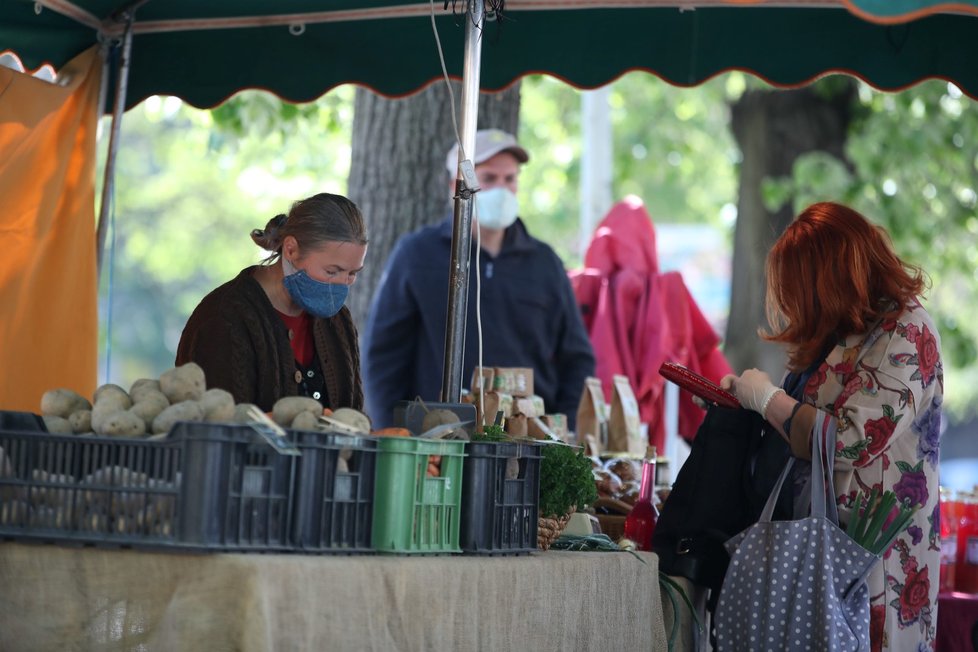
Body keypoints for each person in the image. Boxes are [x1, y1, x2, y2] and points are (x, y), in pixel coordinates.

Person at [721, 202, 943, 650]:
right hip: (824, 551)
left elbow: (852, 441)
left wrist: (769, 400)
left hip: (871, 561)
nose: (799, 304)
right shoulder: (847, 333)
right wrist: (746, 404)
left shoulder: (905, 331)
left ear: (835, 274)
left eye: (804, 288)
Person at [362, 128, 595, 429]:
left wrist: (562, 431)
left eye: (510, 179)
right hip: (436, 437)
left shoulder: (545, 263)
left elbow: (577, 358)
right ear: (456, 185)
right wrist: (391, 432)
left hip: (528, 441)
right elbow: (383, 354)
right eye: (488, 178)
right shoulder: (416, 255)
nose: (502, 189)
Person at [176, 192, 368, 412]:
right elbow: (215, 424)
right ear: (291, 249)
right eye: (333, 271)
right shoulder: (223, 318)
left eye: (353, 273)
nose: (344, 283)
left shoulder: (339, 322)